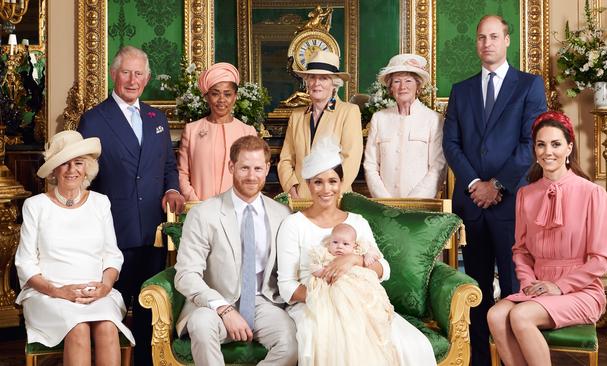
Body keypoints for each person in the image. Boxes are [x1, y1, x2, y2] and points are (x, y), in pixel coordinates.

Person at [441, 15, 547, 365]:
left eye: (493, 36)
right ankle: (478, 360)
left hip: (511, 203)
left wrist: (496, 185)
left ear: (507, 40)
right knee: (475, 288)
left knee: (515, 289)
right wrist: (475, 184)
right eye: (481, 37)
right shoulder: (461, 90)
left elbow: (530, 142)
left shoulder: (529, 85)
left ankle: (513, 358)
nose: (486, 43)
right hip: (471, 204)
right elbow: (452, 144)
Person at [277, 136, 437, 366]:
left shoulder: (357, 222)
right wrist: (329, 299)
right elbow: (286, 287)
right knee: (335, 343)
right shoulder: (293, 225)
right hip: (314, 306)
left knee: (410, 344)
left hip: (362, 303)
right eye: (318, 182)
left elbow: (384, 269)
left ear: (341, 183)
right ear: (308, 185)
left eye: (332, 181)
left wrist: (355, 259)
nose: (326, 189)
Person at [77, 45, 185, 365]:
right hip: (113, 232)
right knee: (115, 308)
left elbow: (168, 168)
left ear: (147, 78)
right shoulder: (94, 119)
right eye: (126, 72)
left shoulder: (157, 118)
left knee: (150, 309)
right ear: (114, 74)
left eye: (139, 74)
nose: (132, 80)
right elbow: (83, 176)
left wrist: (173, 190)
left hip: (152, 230)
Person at [487, 111, 607, 365]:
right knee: (496, 316)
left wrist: (560, 286)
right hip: (537, 287)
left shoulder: (593, 194)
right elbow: (520, 250)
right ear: (534, 149)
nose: (548, 152)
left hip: (581, 291)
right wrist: (529, 281)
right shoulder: (525, 194)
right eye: (541, 145)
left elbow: (601, 258)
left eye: (556, 144)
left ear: (569, 147)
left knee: (521, 316)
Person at [174, 135, 298, 366]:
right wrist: (224, 309)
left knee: (291, 343)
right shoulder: (204, 213)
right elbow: (186, 275)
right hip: (214, 303)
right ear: (231, 166)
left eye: (258, 168)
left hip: (264, 302)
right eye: (244, 168)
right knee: (200, 324)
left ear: (267, 168)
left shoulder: (282, 215)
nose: (252, 176)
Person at [15, 130, 135, 365]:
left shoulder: (100, 203)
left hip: (96, 292)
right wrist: (59, 292)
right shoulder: (35, 206)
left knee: (107, 328)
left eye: (78, 163)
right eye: (64, 164)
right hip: (48, 294)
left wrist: (105, 286)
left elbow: (112, 255)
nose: (72, 170)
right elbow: (25, 263)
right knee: (78, 328)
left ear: (87, 168)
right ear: (53, 170)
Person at [301, 222, 399, 366]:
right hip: (334, 283)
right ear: (329, 242)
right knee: (338, 299)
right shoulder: (324, 253)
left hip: (357, 282)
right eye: (335, 242)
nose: (339, 246)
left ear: (354, 245)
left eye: (345, 244)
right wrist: (323, 272)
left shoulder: (359, 251)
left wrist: (365, 257)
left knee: (367, 299)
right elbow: (313, 267)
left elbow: (378, 261)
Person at [278, 50, 363, 199]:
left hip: (335, 199)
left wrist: (333, 193)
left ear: (334, 83)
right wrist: (291, 188)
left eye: (323, 78)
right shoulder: (296, 116)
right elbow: (285, 159)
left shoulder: (349, 112)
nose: (316, 83)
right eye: (312, 78)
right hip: (301, 199)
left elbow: (351, 159)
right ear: (307, 82)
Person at [364, 53, 446, 198]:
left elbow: (438, 166)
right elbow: (370, 165)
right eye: (396, 81)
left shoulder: (433, 119)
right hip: (385, 205)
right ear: (390, 88)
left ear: (418, 86)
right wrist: (384, 200)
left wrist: (415, 201)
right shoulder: (379, 119)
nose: (403, 87)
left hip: (421, 205)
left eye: (408, 81)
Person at [177, 62, 257, 201]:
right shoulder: (192, 130)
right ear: (206, 96)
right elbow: (182, 173)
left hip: (237, 210)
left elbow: (253, 174)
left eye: (227, 94)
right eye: (215, 94)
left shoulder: (247, 132)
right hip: (199, 209)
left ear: (235, 97)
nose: (221, 100)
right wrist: (195, 202)